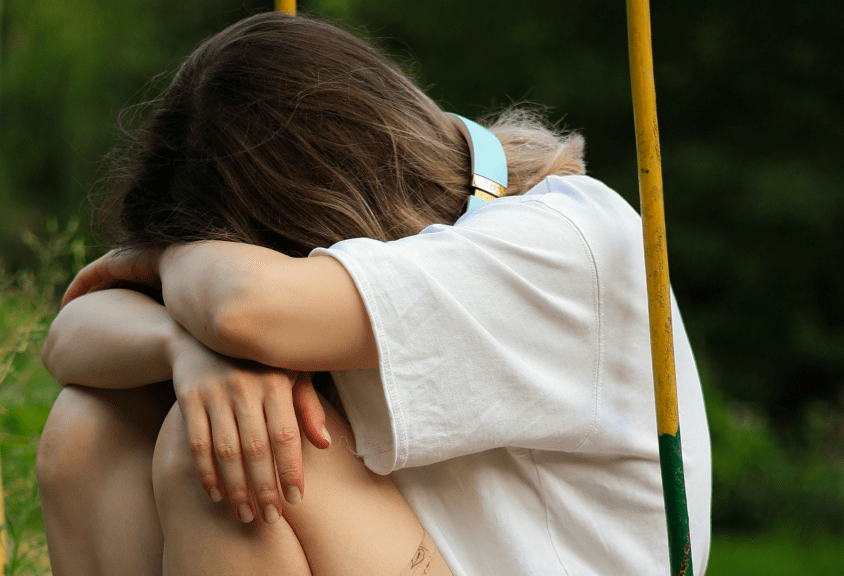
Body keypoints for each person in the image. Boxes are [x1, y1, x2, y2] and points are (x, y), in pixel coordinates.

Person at [36, 11, 712, 576]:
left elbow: (243, 310)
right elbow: (72, 332)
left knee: (230, 452)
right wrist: (184, 351)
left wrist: (165, 261)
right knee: (89, 429)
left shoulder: (565, 241)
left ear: (316, 214)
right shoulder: (362, 259)